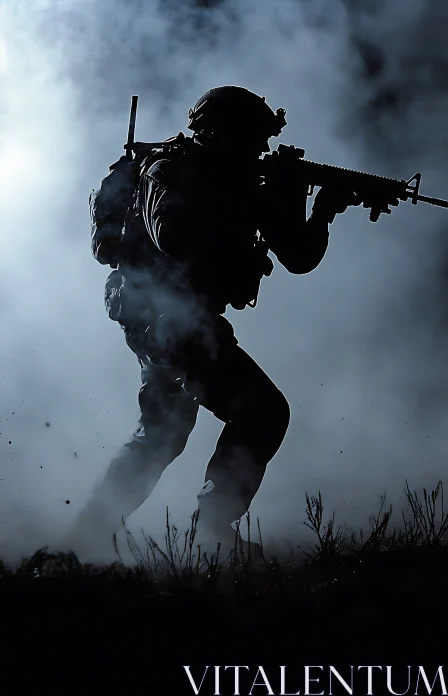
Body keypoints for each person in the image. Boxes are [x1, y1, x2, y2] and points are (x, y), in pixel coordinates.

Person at [69, 86, 360, 560]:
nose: (260, 150)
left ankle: (89, 533)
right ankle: (212, 530)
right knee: (262, 411)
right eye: (251, 137)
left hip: (183, 318)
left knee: (163, 432)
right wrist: (251, 198)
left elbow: (298, 256)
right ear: (217, 132)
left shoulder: (237, 180)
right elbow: (174, 237)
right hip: (165, 317)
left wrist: (318, 210)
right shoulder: (173, 171)